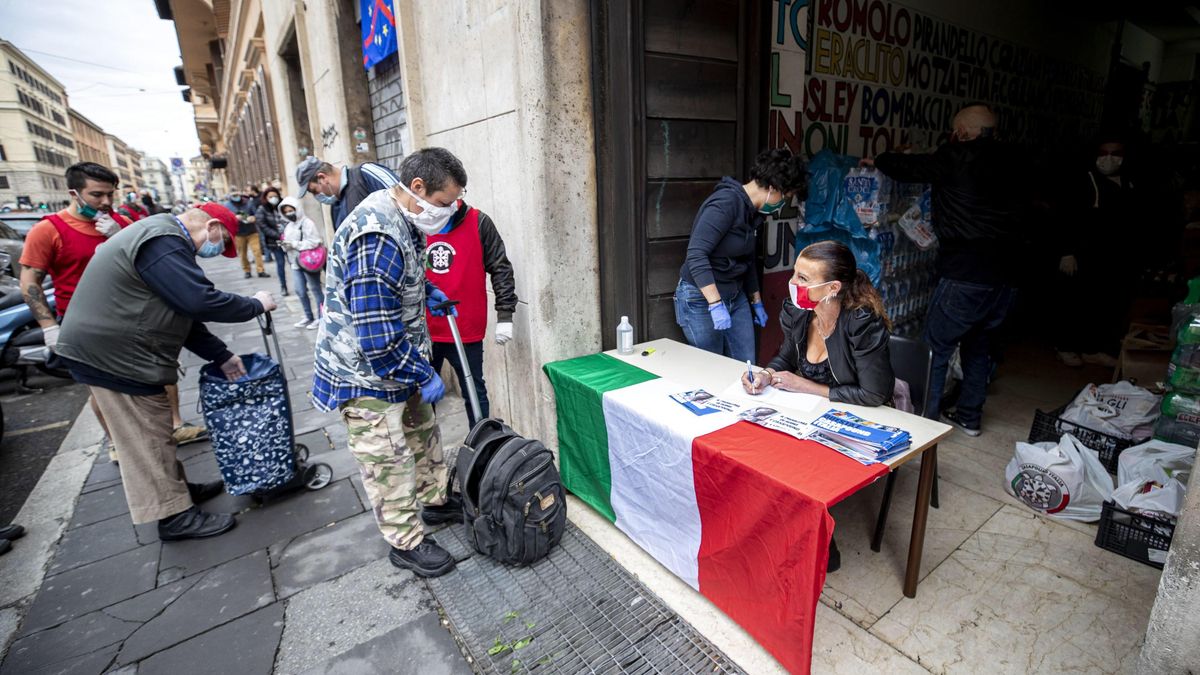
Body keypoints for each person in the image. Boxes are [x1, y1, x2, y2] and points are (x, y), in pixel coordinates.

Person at [55, 203, 277, 540]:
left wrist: (221, 355)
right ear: (213, 225)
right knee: (146, 435)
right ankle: (174, 516)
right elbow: (199, 301)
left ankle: (175, 491)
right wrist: (255, 305)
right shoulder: (163, 240)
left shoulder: (163, 238)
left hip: (115, 349)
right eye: (224, 241)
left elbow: (180, 312)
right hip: (113, 356)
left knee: (155, 431)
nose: (220, 250)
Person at [312, 147, 465, 578]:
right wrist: (424, 373)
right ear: (417, 188)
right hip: (364, 372)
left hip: (402, 359)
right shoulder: (375, 235)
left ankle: (434, 503)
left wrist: (426, 289)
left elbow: (402, 274)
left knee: (423, 434)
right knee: (387, 458)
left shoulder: (406, 215)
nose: (449, 211)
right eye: (443, 202)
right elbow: (376, 337)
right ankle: (405, 541)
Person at [19, 163, 208, 461]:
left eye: (110, 194)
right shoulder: (48, 230)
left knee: (161, 374)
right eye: (96, 195)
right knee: (103, 389)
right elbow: (30, 280)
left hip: (135, 319)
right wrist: (48, 326)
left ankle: (174, 426)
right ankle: (117, 441)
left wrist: (120, 233)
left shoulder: (119, 222)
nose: (106, 203)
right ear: (74, 193)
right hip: (87, 325)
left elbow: (150, 260)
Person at [867, 103, 1022, 436]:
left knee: (934, 348)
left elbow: (908, 167)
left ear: (962, 131)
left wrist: (878, 159)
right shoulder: (1014, 160)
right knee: (979, 347)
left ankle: (924, 423)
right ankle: (969, 417)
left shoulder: (957, 156)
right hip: (1006, 277)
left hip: (966, 271)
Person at [741, 240, 895, 572]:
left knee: (798, 464)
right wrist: (767, 374)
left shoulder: (861, 322)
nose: (792, 284)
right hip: (812, 411)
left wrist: (807, 386)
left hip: (858, 415)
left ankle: (822, 544)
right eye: (795, 274)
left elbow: (873, 394)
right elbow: (786, 356)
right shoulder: (799, 311)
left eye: (802, 278)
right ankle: (772, 530)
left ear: (832, 287)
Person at [676, 149, 807, 363]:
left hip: (735, 296)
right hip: (700, 299)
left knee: (746, 366)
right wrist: (715, 304)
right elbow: (696, 254)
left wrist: (756, 301)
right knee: (712, 369)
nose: (784, 203)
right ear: (773, 188)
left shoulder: (753, 212)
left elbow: (747, 260)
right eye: (786, 197)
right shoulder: (725, 204)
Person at [424, 197, 518, 428]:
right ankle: (427, 455)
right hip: (424, 327)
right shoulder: (417, 223)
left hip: (465, 324)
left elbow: (500, 267)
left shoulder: (478, 222)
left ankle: (482, 447)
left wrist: (505, 314)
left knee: (474, 391)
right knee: (421, 401)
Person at [1053, 137, 1132, 368]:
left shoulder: (1128, 182)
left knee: (1100, 303)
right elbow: (1065, 216)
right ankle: (1065, 346)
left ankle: (1091, 347)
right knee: (1072, 301)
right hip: (1081, 253)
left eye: (1115, 153)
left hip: (1108, 256)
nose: (1109, 159)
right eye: (1104, 153)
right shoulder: (1084, 181)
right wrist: (1066, 251)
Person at [295, 155, 398, 229]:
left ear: (322, 178)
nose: (316, 196)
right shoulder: (335, 207)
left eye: (314, 190)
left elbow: (404, 199)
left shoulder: (365, 173)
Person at [279, 195, 324, 328]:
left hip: (309, 261)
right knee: (300, 291)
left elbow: (315, 242)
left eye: (290, 210)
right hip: (295, 262)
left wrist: (294, 244)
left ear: (297, 208)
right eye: (285, 211)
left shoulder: (307, 223)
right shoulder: (289, 226)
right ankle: (308, 316)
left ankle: (322, 317)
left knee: (316, 290)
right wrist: (285, 245)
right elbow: (289, 243)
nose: (289, 213)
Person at [255, 186, 289, 296]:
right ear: (266, 197)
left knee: (295, 263)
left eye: (275, 196)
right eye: (270, 196)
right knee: (280, 264)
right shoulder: (262, 209)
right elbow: (263, 226)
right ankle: (283, 286)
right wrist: (278, 236)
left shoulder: (284, 205)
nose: (273, 198)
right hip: (275, 242)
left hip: (289, 239)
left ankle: (303, 284)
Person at [226, 192, 267, 279]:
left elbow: (256, 214)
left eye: (237, 195)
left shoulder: (248, 202)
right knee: (242, 254)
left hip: (252, 231)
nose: (236, 197)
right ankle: (247, 271)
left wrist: (253, 218)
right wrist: (234, 218)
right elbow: (226, 219)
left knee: (257, 252)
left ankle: (261, 270)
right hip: (238, 233)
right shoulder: (228, 205)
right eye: (233, 196)